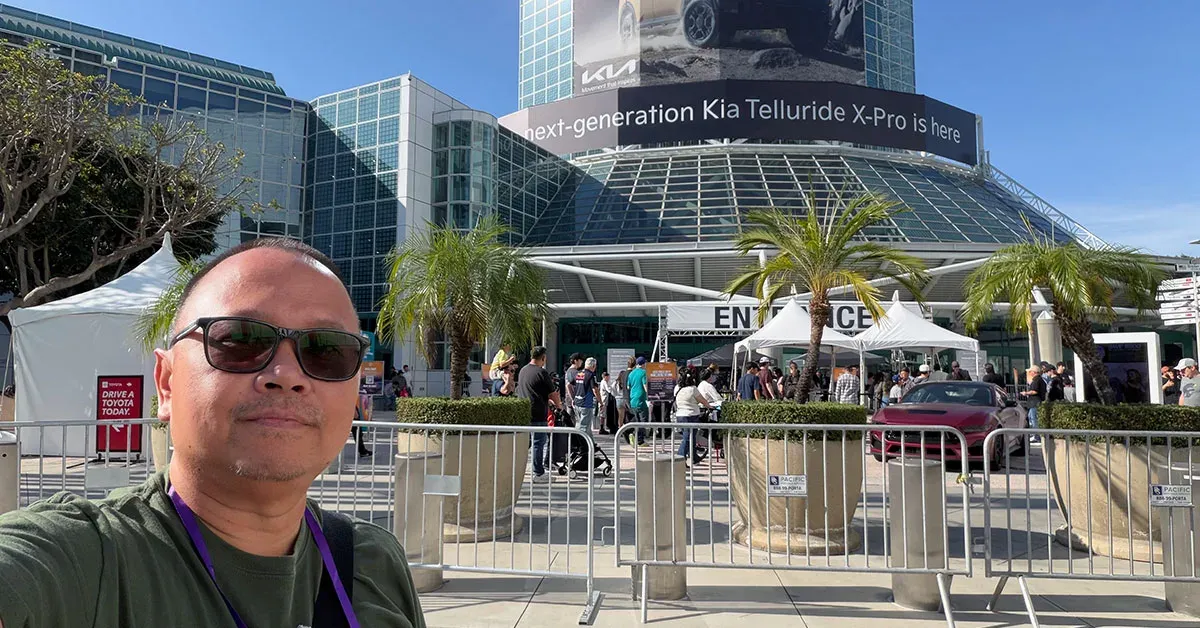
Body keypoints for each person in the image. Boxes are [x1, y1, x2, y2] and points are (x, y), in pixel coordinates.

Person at [0, 238, 426, 627]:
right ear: (167, 384)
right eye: (241, 340)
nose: (287, 375)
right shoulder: (85, 562)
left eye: (327, 350)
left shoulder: (373, 564)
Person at [517, 346, 564, 483]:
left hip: (524, 411)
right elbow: (552, 393)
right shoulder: (541, 373)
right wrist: (559, 406)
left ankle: (518, 468)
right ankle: (538, 473)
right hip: (538, 412)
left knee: (527, 443)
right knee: (538, 442)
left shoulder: (523, 371)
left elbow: (533, 390)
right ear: (543, 357)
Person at [674, 369, 713, 466]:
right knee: (687, 439)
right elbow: (703, 401)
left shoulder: (678, 388)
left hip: (680, 416)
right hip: (691, 416)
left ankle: (694, 457)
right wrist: (709, 406)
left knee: (689, 438)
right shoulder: (693, 389)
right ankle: (679, 459)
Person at [572, 357, 601, 433]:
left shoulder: (579, 373)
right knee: (585, 426)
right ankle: (582, 444)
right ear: (593, 366)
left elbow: (571, 385)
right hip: (586, 403)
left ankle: (590, 443)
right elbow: (595, 390)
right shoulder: (591, 375)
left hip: (577, 402)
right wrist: (600, 402)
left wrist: (573, 398)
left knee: (579, 425)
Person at [626, 357, 650, 446]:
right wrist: (650, 396)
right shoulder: (643, 373)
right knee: (643, 420)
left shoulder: (631, 373)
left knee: (636, 420)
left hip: (633, 400)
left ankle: (633, 434)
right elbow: (645, 386)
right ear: (643, 364)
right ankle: (640, 440)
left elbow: (628, 387)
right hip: (641, 400)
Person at [1021, 365, 1047, 438]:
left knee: (1034, 419)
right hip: (1035, 402)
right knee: (1031, 418)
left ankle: (1037, 436)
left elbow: (1034, 391)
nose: (1029, 373)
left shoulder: (1036, 380)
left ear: (1034, 372)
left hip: (1034, 402)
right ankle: (1035, 434)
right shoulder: (1039, 380)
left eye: (1030, 371)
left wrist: (1026, 393)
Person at [353, 393, 373, 457]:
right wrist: (355, 414)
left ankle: (362, 451)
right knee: (357, 433)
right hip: (351, 415)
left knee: (358, 434)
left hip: (351, 413)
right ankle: (362, 451)